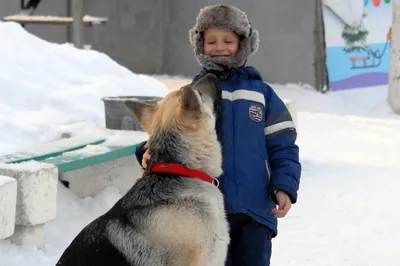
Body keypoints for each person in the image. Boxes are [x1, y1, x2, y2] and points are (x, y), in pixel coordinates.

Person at [135, 4, 301, 266]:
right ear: (200, 45)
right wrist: (147, 151)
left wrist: (284, 185)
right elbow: (169, 133)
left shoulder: (262, 93)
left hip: (254, 207)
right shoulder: (189, 96)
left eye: (228, 40)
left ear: (243, 44)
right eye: (211, 41)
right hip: (202, 210)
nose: (220, 47)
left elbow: (284, 145)